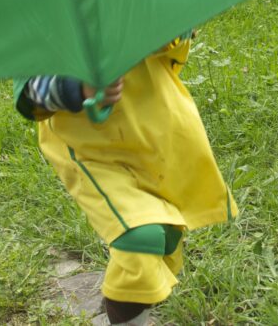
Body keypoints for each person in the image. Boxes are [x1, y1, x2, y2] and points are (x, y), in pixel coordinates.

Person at [15, 33, 237, 325]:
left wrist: (157, 29)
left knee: (166, 235)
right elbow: (30, 91)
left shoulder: (140, 3)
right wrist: (78, 87)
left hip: (155, 136)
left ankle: (136, 307)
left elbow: (180, 36)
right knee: (139, 239)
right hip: (94, 152)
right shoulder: (49, 17)